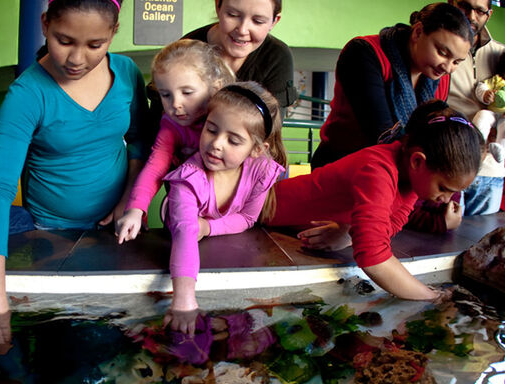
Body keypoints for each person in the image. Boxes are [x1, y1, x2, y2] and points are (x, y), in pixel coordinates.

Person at [0, 0, 147, 347]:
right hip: (49, 233)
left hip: (116, 231)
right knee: (59, 341)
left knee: (114, 339)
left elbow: (141, 142)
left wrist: (128, 202)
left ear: (113, 33)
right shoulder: (28, 93)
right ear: (44, 24)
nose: (77, 59)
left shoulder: (127, 73)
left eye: (95, 45)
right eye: (64, 40)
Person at [266, 100, 483, 301]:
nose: (445, 200)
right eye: (443, 189)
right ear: (418, 161)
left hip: (287, 224)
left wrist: (350, 234)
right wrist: (431, 296)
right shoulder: (378, 170)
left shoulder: (411, 178)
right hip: (260, 208)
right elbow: (373, 257)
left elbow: (395, 222)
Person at [164, 82, 286, 335]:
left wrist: (207, 226)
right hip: (182, 234)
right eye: (211, 130)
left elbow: (248, 217)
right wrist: (184, 300)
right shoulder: (187, 180)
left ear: (256, 149)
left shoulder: (261, 170)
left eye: (233, 140)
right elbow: (186, 233)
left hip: (215, 241)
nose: (216, 144)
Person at [311, 2, 473, 169]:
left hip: (399, 172)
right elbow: (381, 133)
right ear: (418, 32)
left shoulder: (440, 79)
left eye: (456, 62)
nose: (447, 67)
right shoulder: (364, 53)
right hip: (342, 165)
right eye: (442, 53)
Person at [116, 39, 234, 243]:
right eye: (166, 95)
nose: (176, 104)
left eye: (187, 93)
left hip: (229, 216)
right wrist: (135, 210)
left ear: (215, 88)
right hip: (189, 216)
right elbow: (156, 166)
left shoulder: (232, 116)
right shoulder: (172, 125)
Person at [447, 0, 505, 216]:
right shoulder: (440, 51)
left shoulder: (501, 53)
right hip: (451, 164)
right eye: (464, 6)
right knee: (445, 241)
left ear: (488, 14)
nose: (471, 16)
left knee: (482, 242)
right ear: (451, 3)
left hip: (492, 171)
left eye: (480, 10)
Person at [182, 0, 296, 110]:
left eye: (258, 21)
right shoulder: (183, 52)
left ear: (274, 21)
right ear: (218, 6)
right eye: (233, 15)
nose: (242, 30)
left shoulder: (277, 57)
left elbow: (271, 126)